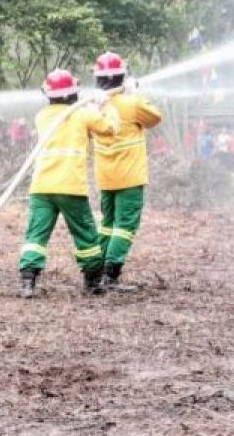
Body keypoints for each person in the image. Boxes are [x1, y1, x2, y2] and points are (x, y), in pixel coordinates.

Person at [18, 69, 118, 299]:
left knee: (36, 235)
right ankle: (93, 281)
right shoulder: (83, 114)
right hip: (70, 187)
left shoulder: (42, 116)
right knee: (85, 235)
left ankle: (27, 280)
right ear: (73, 92)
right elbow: (110, 129)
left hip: (41, 187)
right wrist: (106, 105)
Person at [90, 52, 163, 291]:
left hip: (106, 177)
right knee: (125, 225)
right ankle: (111, 275)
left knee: (108, 224)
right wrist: (135, 93)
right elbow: (155, 117)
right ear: (123, 74)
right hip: (130, 177)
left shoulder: (94, 105)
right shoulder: (132, 102)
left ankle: (98, 270)